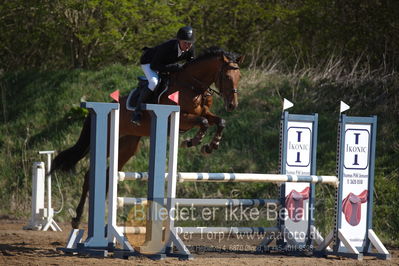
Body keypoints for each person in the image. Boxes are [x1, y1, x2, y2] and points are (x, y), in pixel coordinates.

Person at [131, 26, 196, 126]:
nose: (187, 46)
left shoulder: (190, 50)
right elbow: (155, 66)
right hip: (149, 62)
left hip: (164, 64)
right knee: (154, 82)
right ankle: (137, 112)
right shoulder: (168, 47)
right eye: (185, 43)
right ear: (179, 41)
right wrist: (174, 67)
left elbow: (190, 66)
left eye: (189, 43)